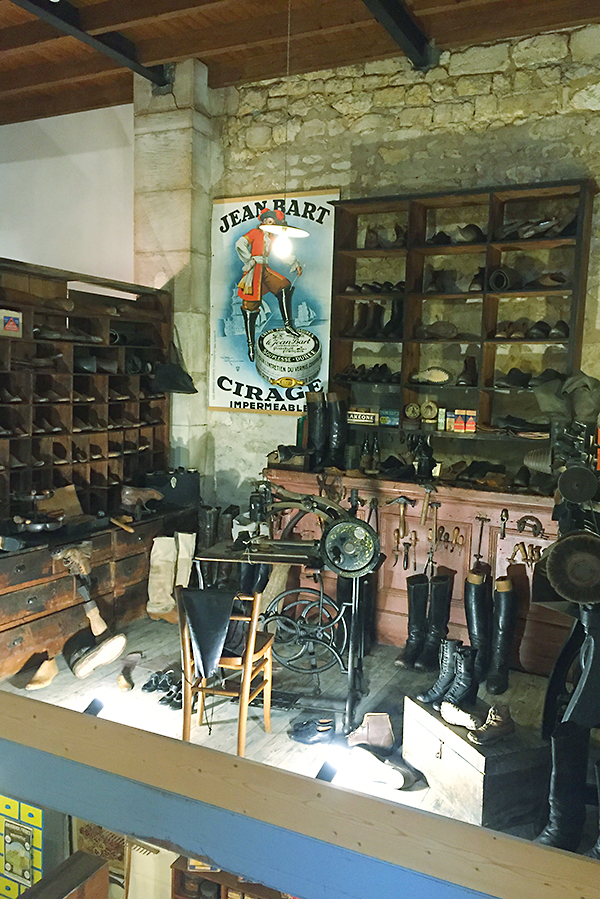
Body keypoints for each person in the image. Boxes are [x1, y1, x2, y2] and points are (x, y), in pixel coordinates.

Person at [235, 208, 303, 361]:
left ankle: (288, 325)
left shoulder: (271, 238)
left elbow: (283, 253)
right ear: (263, 221)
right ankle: (251, 345)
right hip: (254, 272)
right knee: (250, 308)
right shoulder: (255, 232)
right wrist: (249, 260)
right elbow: (240, 243)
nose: (270, 225)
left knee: (284, 286)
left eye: (273, 223)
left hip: (264, 269)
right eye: (269, 222)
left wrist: (295, 263)